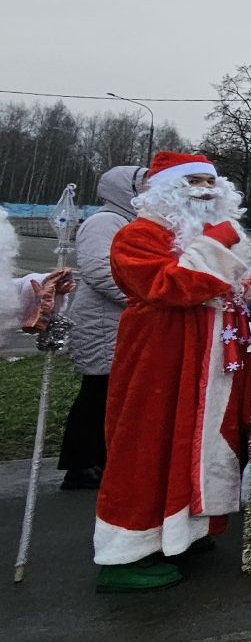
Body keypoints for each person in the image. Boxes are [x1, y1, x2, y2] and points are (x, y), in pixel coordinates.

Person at [94, 152, 251, 592]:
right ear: (163, 189)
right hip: (160, 362)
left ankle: (184, 531)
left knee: (202, 444)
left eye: (210, 180)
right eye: (193, 182)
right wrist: (219, 244)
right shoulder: (138, 235)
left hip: (211, 365)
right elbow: (170, 286)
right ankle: (124, 552)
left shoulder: (212, 236)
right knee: (148, 447)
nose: (205, 189)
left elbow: (232, 290)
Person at [62, 165, 145, 490]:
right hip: (100, 322)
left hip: (120, 321)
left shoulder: (129, 222)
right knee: (97, 392)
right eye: (143, 184)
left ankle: (101, 458)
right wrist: (144, 297)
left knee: (114, 394)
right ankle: (80, 464)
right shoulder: (105, 222)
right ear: (125, 189)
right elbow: (98, 270)